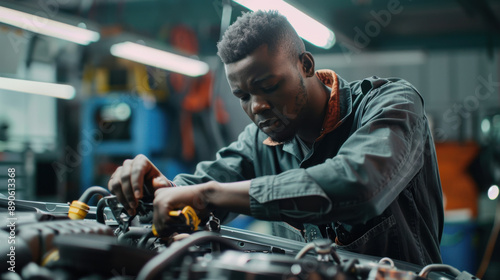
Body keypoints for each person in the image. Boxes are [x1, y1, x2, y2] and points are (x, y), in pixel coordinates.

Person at [108, 10, 444, 266]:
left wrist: (208, 195)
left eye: (268, 87)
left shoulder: (391, 103)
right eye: (242, 95)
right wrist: (156, 190)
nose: (257, 106)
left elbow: (359, 184)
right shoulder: (260, 143)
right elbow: (200, 184)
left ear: (306, 65)